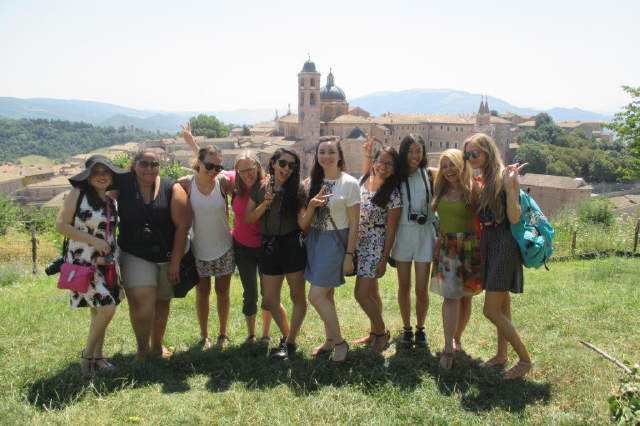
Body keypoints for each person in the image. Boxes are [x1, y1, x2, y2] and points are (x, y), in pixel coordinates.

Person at [463, 133, 532, 380]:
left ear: (488, 152)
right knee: (502, 306)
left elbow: (514, 217)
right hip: (490, 243)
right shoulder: (483, 178)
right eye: (467, 154)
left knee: (491, 311)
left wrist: (512, 187)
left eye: (475, 153)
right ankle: (502, 355)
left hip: (503, 244)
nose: (470, 158)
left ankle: (524, 360)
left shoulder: (503, 176)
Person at [114, 149, 191, 361]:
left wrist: (175, 261)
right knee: (140, 302)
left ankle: (157, 345)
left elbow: (183, 226)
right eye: (144, 164)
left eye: (154, 164)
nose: (149, 169)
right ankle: (142, 350)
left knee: (162, 301)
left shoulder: (171, 187)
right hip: (134, 253)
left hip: (165, 255)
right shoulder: (123, 186)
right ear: (135, 165)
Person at [56, 155, 126, 376]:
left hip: (106, 264)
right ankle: (87, 357)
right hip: (83, 262)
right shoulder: (78, 195)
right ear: (88, 176)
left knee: (98, 311)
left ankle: (99, 358)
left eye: (106, 173)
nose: (102, 177)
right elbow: (61, 225)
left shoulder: (110, 200)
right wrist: (94, 241)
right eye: (96, 173)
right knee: (107, 306)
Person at [300, 136, 360, 363]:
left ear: (340, 156)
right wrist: (312, 206)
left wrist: (349, 255)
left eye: (331, 151)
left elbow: (355, 223)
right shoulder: (310, 183)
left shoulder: (349, 183)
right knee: (327, 295)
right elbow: (305, 219)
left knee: (315, 295)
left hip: (336, 242)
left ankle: (340, 342)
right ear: (317, 156)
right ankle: (329, 339)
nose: (326, 156)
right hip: (315, 240)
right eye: (322, 152)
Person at [245, 148, 307, 360]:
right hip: (269, 245)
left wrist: (310, 205)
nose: (286, 169)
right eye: (283, 163)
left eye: (292, 165)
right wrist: (266, 204)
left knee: (297, 296)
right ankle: (288, 337)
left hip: (292, 244)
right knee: (270, 300)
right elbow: (248, 218)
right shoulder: (260, 187)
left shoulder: (298, 189)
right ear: (273, 163)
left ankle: (289, 343)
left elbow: (303, 222)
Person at [429, 149, 482, 371]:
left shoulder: (474, 190)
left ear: (462, 165)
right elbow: (419, 167)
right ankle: (448, 347)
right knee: (450, 298)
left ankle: (457, 337)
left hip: (469, 247)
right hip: (447, 248)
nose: (449, 170)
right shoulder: (439, 186)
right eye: (445, 166)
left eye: (453, 164)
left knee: (466, 299)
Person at [177, 145, 234, 348]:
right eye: (209, 166)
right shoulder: (186, 185)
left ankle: (222, 333)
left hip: (224, 248)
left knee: (223, 293)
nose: (213, 171)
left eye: (218, 167)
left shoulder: (223, 183)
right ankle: (204, 335)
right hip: (198, 249)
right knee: (202, 293)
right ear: (199, 163)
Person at [354, 146, 402, 352]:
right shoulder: (364, 180)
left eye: (389, 163)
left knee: (361, 294)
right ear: (374, 162)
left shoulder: (393, 193)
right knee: (372, 292)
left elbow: (391, 230)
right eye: (380, 161)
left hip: (375, 247)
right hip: (359, 244)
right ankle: (374, 332)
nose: (383, 166)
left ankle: (382, 333)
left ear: (394, 169)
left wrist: (384, 259)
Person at [230, 151, 281, 343]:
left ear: (257, 168)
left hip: (265, 246)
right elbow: (209, 171)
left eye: (250, 170)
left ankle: (265, 334)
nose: (246, 175)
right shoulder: (234, 185)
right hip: (243, 247)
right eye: (242, 171)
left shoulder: (267, 185)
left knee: (267, 294)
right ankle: (251, 334)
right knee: (249, 294)